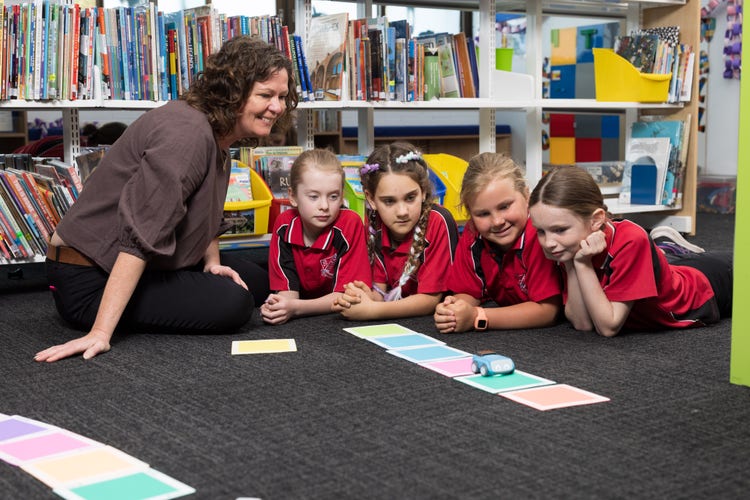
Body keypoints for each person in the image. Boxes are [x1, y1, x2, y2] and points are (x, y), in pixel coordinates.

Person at [36, 36, 298, 362]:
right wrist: (101, 333)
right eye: (265, 95)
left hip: (137, 262)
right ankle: (101, 318)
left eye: (283, 97)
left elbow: (204, 214)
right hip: (88, 278)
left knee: (258, 280)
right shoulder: (186, 134)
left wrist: (212, 265)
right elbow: (141, 235)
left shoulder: (219, 133)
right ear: (232, 93)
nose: (277, 107)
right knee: (235, 304)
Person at [528, 165, 733, 337]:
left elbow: (608, 327)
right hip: (674, 268)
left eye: (559, 230)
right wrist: (574, 264)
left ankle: (667, 249)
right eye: (540, 231)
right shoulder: (569, 245)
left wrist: (582, 264)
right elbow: (582, 323)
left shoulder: (631, 239)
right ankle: (666, 249)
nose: (548, 242)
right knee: (665, 265)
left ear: (596, 220)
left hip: (708, 288)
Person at [433, 153, 563, 333]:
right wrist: (455, 308)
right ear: (470, 213)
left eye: (504, 206)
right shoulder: (473, 235)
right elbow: (468, 291)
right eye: (483, 214)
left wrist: (477, 316)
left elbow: (547, 311)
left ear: (527, 195)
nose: (497, 221)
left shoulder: (539, 234)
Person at [332, 142, 459, 320]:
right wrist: (360, 298)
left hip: (438, 320)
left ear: (423, 191)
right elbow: (381, 292)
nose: (402, 212)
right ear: (371, 199)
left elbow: (430, 301)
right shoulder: (375, 223)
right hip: (406, 319)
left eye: (410, 198)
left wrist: (371, 310)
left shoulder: (438, 221)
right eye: (389, 201)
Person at [261, 149, 371, 325]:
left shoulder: (350, 223)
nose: (324, 206)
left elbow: (348, 296)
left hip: (339, 318)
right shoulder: (284, 224)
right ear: (293, 196)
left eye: (333, 196)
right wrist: (280, 306)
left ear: (342, 196)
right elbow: (287, 291)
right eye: (313, 196)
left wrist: (296, 307)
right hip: (307, 311)